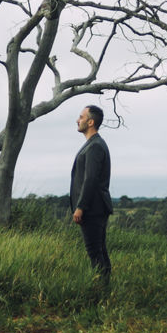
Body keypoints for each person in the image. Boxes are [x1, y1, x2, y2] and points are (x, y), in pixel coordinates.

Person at [69, 104, 113, 281]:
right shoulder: (93, 144)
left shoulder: (95, 146)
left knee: (95, 252)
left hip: (93, 209)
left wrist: (81, 207)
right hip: (95, 207)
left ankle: (101, 289)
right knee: (99, 250)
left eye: (81, 117)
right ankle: (106, 287)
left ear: (90, 122)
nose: (77, 120)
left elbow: (91, 179)